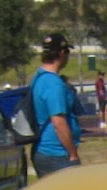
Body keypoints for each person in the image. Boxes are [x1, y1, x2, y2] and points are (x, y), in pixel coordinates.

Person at [31, 31, 81, 178]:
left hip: (44, 150)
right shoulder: (53, 84)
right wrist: (73, 154)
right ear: (61, 53)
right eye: (67, 52)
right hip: (56, 153)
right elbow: (58, 122)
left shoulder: (38, 77)